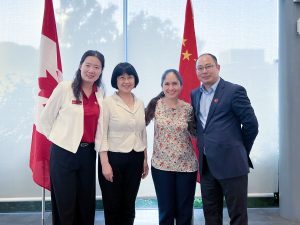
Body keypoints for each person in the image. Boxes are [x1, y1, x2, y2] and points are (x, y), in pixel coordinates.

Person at [191, 53, 259, 225]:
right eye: (200, 68)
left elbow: (251, 125)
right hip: (206, 166)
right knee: (211, 215)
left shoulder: (234, 91)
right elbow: (201, 128)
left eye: (208, 66)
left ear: (218, 67)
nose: (204, 71)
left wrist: (241, 150)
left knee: (237, 216)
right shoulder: (195, 94)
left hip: (232, 164)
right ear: (196, 71)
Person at [39, 50, 105, 225]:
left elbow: (99, 127)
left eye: (96, 67)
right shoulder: (65, 88)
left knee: (86, 202)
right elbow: (45, 120)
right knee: (65, 203)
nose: (91, 70)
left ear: (101, 71)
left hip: (88, 154)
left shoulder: (100, 94)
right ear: (80, 66)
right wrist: (60, 140)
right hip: (63, 153)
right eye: (88, 65)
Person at [98, 62, 149, 225]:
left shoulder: (140, 102)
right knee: (113, 206)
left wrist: (145, 159)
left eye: (130, 77)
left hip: (136, 158)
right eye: (122, 77)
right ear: (116, 80)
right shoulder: (107, 102)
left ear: (135, 79)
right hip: (113, 159)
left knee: (129, 204)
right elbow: (101, 134)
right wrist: (104, 163)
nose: (126, 81)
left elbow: (142, 132)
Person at [145, 69, 198, 225]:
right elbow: (139, 126)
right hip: (161, 166)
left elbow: (196, 133)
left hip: (186, 167)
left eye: (174, 83)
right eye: (167, 84)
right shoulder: (155, 105)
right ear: (162, 86)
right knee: (166, 211)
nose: (171, 87)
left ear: (181, 86)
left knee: (184, 212)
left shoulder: (188, 108)